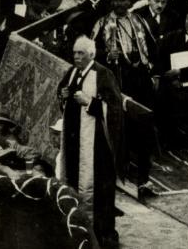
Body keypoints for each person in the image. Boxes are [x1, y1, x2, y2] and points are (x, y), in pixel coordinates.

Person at [57, 36, 123, 248]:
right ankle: (76, 227)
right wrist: (63, 94)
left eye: (81, 53)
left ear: (91, 54)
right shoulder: (72, 72)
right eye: (75, 53)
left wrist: (91, 102)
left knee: (97, 191)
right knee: (73, 181)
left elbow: (115, 109)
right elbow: (60, 92)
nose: (76, 57)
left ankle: (100, 234)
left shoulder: (103, 74)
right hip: (74, 141)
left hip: (96, 148)